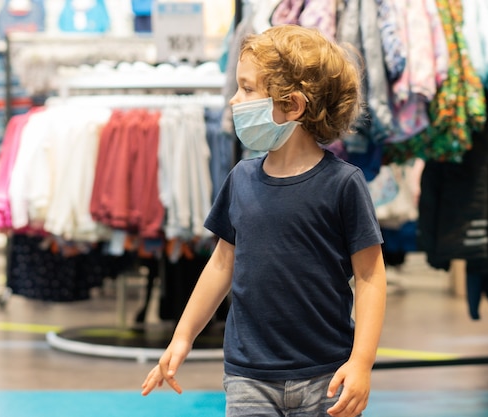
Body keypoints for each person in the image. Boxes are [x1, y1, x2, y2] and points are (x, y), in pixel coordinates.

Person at [141, 24, 387, 417]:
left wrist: (361, 362)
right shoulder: (240, 178)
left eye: (248, 88)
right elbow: (222, 263)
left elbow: (371, 277)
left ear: (292, 105)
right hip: (248, 375)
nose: (234, 100)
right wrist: (182, 336)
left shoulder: (344, 184)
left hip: (326, 374)